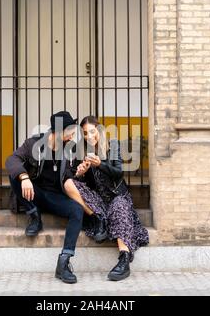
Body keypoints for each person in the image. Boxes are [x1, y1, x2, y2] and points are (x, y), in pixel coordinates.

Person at [64, 116, 149, 281]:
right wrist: (80, 174)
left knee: (119, 206)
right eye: (85, 133)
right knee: (70, 183)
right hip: (99, 203)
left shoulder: (113, 146)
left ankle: (124, 260)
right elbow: (85, 186)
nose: (89, 136)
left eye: (92, 131)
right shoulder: (83, 151)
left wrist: (100, 164)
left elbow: (119, 173)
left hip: (117, 197)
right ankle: (99, 220)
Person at [5, 111, 83, 284]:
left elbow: (73, 175)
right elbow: (12, 160)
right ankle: (34, 216)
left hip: (56, 197)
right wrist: (24, 177)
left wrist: (79, 172)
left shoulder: (71, 148)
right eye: (69, 130)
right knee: (15, 176)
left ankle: (64, 262)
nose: (72, 134)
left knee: (77, 210)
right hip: (35, 193)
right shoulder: (34, 143)